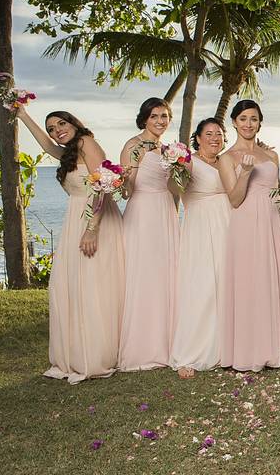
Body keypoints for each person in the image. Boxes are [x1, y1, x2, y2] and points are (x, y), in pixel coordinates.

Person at [17, 106, 125, 384]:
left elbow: (102, 185)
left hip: (96, 221)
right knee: (68, 286)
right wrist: (23, 114)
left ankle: (97, 352)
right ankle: (74, 351)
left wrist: (91, 229)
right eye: (52, 128)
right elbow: (44, 143)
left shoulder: (88, 143)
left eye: (61, 123)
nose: (56, 130)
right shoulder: (67, 152)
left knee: (93, 287)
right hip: (73, 222)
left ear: (75, 123)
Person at [218, 100, 280, 372]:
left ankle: (277, 346)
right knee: (251, 282)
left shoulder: (271, 156)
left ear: (260, 122)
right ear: (235, 122)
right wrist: (246, 173)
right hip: (247, 223)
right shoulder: (227, 157)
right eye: (243, 118)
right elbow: (235, 200)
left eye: (254, 119)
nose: (249, 124)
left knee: (275, 280)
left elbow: (278, 191)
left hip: (274, 220)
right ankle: (250, 348)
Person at [118, 97, 180, 371]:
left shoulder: (169, 148)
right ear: (144, 119)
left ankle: (170, 340)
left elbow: (177, 187)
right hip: (142, 211)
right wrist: (128, 170)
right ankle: (143, 345)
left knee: (168, 273)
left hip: (166, 210)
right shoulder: (132, 146)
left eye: (164, 116)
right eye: (155, 116)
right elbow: (126, 190)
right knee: (144, 274)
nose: (160, 121)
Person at [170, 118, 231, 378]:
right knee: (202, 286)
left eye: (219, 133)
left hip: (230, 223)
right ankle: (192, 351)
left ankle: (229, 345)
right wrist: (176, 167)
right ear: (197, 137)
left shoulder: (227, 161)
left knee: (228, 283)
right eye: (209, 133)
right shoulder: (187, 162)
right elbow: (173, 189)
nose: (215, 138)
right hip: (201, 227)